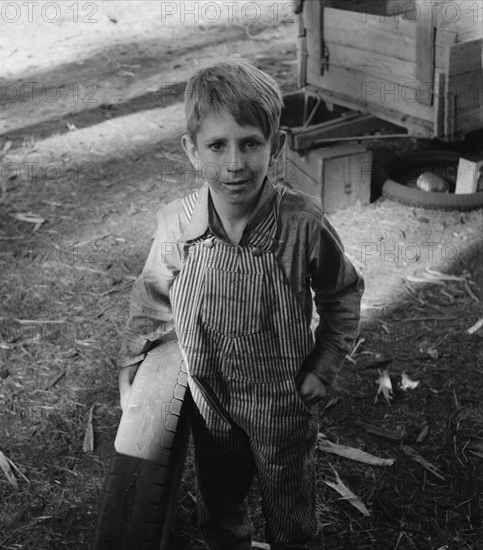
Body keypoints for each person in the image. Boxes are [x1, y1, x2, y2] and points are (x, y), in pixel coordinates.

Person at [118, 60, 364, 550]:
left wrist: (324, 365)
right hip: (211, 401)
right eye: (216, 145)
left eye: (250, 142)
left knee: (290, 508)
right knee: (220, 502)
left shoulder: (302, 224)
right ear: (191, 150)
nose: (234, 163)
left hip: (283, 401)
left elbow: (342, 294)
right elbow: (151, 297)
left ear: (277, 146)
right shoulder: (176, 225)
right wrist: (132, 359)